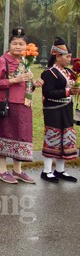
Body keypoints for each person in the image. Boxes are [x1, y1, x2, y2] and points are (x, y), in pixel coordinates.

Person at [0, 27, 44, 184]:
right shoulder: (1, 61)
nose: (18, 46)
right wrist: (13, 80)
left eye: (21, 44)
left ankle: (17, 170)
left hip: (23, 105)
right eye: (15, 43)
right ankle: (2, 170)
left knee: (20, 136)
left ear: (26, 46)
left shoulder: (25, 61)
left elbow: (26, 85)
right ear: (9, 45)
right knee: (4, 135)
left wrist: (34, 84)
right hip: (7, 104)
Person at [39, 37, 79, 182]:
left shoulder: (69, 72)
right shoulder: (49, 73)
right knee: (53, 137)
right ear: (57, 56)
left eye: (70, 56)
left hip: (67, 108)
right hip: (53, 109)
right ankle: (47, 170)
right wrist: (68, 92)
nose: (69, 59)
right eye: (67, 56)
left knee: (66, 137)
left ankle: (60, 170)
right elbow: (48, 93)